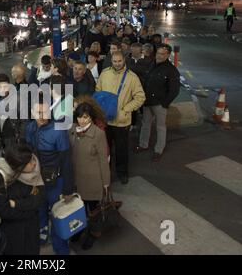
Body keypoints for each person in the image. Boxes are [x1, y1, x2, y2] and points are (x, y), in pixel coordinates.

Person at [25, 100, 74, 255]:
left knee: (57, 215)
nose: (42, 116)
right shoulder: (29, 128)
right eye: (38, 112)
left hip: (56, 182)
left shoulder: (59, 132)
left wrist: (68, 189)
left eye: (45, 112)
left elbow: (67, 162)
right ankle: (42, 232)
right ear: (32, 113)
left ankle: (61, 249)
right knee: (39, 208)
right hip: (36, 180)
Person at [96, 52, 146, 185]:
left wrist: (126, 109)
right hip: (105, 120)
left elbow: (140, 97)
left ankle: (122, 173)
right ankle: (106, 173)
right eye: (114, 61)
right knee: (105, 149)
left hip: (121, 121)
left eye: (119, 61)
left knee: (121, 150)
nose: (117, 63)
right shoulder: (105, 73)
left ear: (124, 60)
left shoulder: (132, 77)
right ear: (111, 61)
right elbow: (98, 91)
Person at [0, 144, 45, 255]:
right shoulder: (0, 177)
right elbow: (4, 211)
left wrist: (16, 204)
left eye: (33, 159)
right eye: (29, 162)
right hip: (13, 232)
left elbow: (40, 198)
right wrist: (30, 209)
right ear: (19, 166)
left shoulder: (34, 170)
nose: (34, 163)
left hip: (31, 228)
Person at [69, 103, 110, 250]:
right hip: (77, 179)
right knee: (78, 208)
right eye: (79, 117)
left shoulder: (98, 134)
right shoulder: (72, 130)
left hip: (93, 181)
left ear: (91, 117)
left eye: (85, 117)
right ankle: (79, 230)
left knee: (93, 211)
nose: (82, 120)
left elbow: (103, 160)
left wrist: (106, 182)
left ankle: (94, 233)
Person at [135, 44, 180, 162]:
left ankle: (158, 150)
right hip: (148, 101)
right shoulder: (151, 64)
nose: (159, 56)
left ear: (168, 55)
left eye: (162, 54)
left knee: (160, 127)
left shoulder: (171, 70)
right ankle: (143, 144)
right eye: (158, 53)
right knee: (145, 124)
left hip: (160, 103)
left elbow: (174, 90)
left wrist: (165, 103)